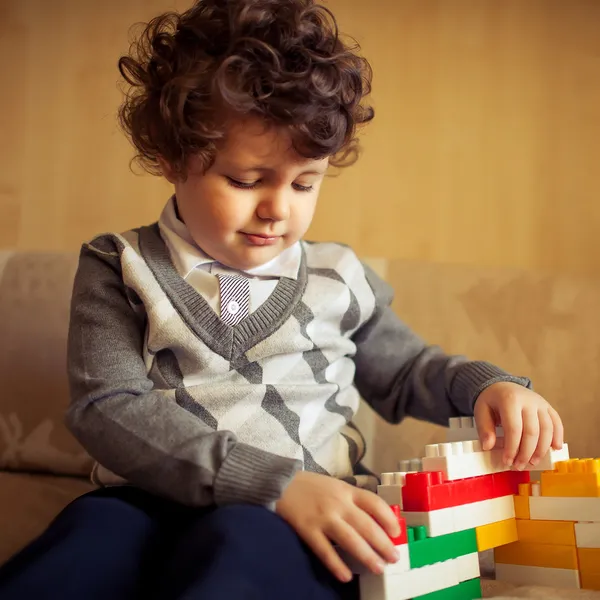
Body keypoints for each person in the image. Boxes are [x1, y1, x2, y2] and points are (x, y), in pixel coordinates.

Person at [0, 0, 564, 598]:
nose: (277, 209)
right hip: (144, 496)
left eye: (304, 183)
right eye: (245, 181)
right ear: (170, 158)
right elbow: (108, 406)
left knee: (241, 549)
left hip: (301, 508)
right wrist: (264, 479)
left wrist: (487, 387)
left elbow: (408, 370)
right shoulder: (120, 266)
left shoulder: (340, 275)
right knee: (84, 545)